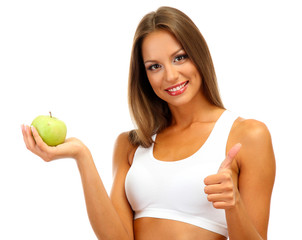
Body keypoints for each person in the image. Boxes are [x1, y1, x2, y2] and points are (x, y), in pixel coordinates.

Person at [21, 6, 275, 240]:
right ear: (144, 76)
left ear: (199, 55)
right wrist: (81, 155)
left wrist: (234, 205)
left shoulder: (248, 135)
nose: (171, 75)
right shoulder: (132, 144)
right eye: (155, 66)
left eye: (180, 57)